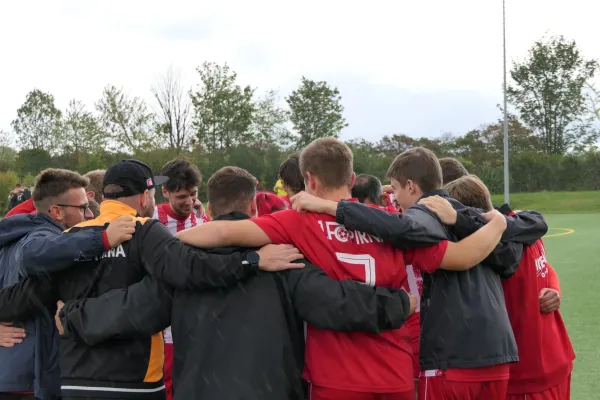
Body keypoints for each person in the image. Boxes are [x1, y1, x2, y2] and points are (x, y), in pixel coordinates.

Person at [176, 138, 509, 400]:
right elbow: (463, 256)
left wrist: (154, 239)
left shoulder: (297, 222)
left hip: (336, 378)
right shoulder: (390, 224)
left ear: (309, 179)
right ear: (352, 178)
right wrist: (496, 224)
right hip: (394, 372)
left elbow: (219, 231)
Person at [54, 165, 425, 400]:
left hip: (198, 391)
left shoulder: (183, 268)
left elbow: (133, 308)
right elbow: (335, 302)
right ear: (253, 210)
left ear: (210, 211)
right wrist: (398, 303)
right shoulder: (283, 257)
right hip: (272, 390)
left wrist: (73, 316)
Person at [0, 159, 302, 400]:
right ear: (145, 196)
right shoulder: (144, 229)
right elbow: (191, 269)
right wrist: (251, 260)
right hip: (134, 380)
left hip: (76, 380)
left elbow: (24, 297)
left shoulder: (70, 239)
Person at [290, 146, 548, 400]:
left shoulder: (428, 212)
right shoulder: (479, 220)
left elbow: (403, 227)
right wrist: (495, 222)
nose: (396, 200)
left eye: (398, 189)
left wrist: (332, 207)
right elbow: (527, 233)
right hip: (497, 355)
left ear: (411, 187)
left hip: (452, 358)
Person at [0, 168, 132, 400]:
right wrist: (102, 239)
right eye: (82, 208)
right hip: (31, 379)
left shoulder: (12, 239)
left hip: (14, 374)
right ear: (57, 212)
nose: (90, 215)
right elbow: (34, 256)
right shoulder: (40, 237)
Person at [443, 174, 575, 400]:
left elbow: (542, 268)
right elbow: (545, 267)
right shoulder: (523, 226)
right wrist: (553, 286)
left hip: (524, 374)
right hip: (555, 360)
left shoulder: (487, 250)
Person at [152, 158, 206, 400]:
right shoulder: (151, 219)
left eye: (192, 195)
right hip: (164, 322)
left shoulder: (204, 221)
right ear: (165, 192)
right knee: (167, 382)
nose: (188, 202)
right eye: (181, 196)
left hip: (197, 316)